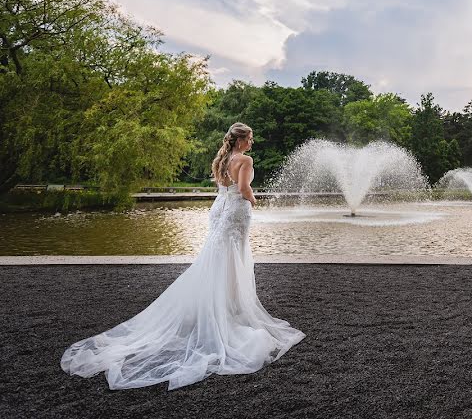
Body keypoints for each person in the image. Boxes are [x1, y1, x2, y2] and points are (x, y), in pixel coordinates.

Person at [60, 123, 305, 390]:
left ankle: (221, 304)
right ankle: (230, 308)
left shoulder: (223, 158)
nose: (252, 142)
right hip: (235, 210)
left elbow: (223, 187)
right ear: (241, 140)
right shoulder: (245, 160)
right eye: (250, 138)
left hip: (220, 208)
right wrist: (255, 201)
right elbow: (244, 188)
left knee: (218, 257)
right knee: (233, 257)